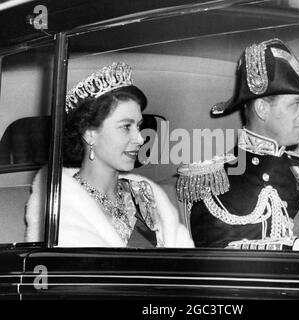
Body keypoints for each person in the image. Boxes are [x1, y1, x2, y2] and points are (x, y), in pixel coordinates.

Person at [177, 39, 299, 252]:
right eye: (296, 104)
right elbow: (217, 261)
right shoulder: (210, 181)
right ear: (262, 109)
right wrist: (298, 249)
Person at [25, 62, 194, 248]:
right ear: (90, 134)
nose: (139, 138)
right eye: (125, 127)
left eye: (138, 126)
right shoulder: (61, 208)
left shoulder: (147, 194)